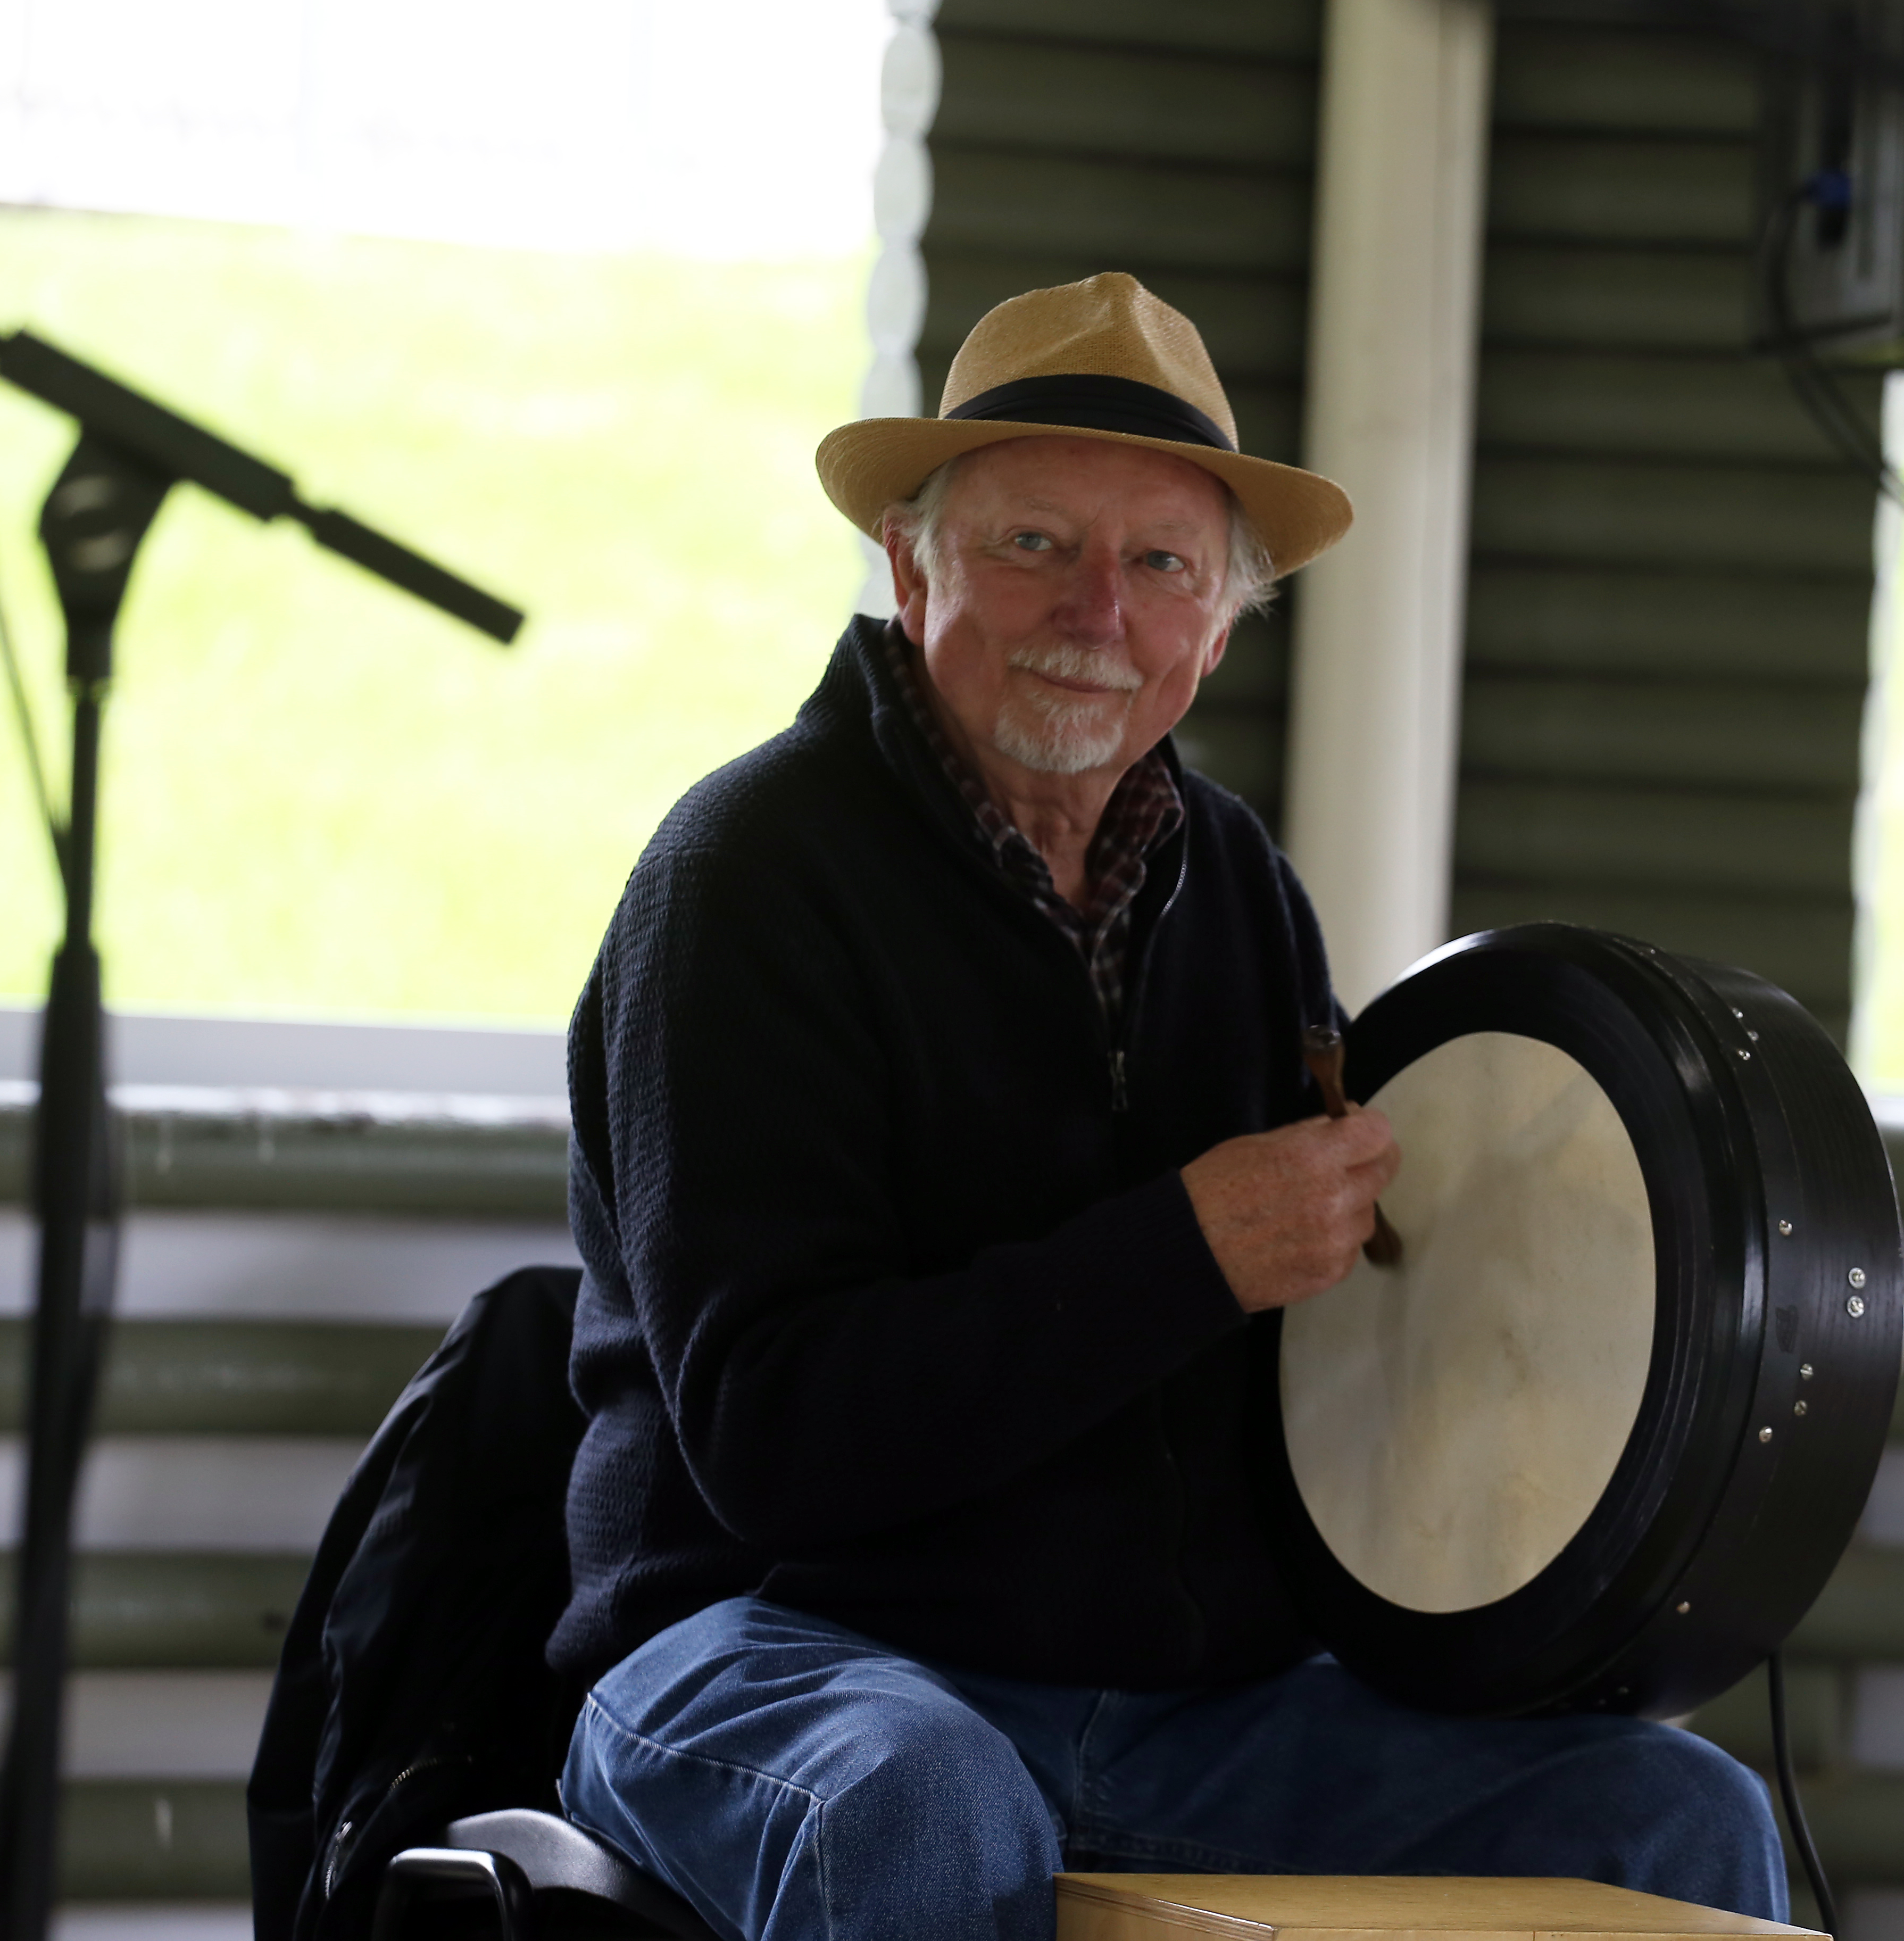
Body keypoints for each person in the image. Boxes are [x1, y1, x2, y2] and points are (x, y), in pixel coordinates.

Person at [549, 273, 1790, 1941]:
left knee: (1668, 1817)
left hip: (1189, 1705)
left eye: (1161, 567)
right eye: (1034, 546)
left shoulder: (1242, 894)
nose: (1099, 614)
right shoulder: (748, 883)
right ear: (912, 568)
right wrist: (1183, 1251)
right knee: (921, 1807)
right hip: (784, 1648)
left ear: (1218, 628)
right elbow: (777, 1443)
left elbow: (1346, 1337)